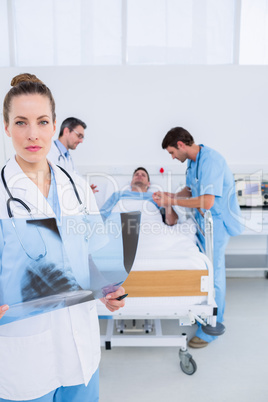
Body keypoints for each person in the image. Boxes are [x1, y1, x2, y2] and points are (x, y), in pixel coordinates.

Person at [0, 73, 126, 401]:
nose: (32, 134)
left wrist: (110, 291)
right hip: (23, 352)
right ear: (6, 127)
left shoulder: (77, 186)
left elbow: (95, 255)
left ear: (54, 126)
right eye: (21, 122)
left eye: (42, 122)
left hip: (80, 351)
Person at [153, 127, 243, 348]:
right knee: (206, 270)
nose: (173, 157)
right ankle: (204, 312)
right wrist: (170, 196)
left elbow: (207, 201)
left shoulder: (210, 160)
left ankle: (213, 326)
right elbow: (190, 190)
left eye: (172, 152)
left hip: (217, 222)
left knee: (214, 273)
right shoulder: (193, 162)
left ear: (181, 145)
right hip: (203, 223)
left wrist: (172, 202)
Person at [100, 166, 178, 226]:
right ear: (131, 183)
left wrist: (168, 205)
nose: (139, 176)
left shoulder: (156, 196)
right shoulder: (118, 195)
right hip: (119, 227)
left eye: (143, 175)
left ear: (148, 184)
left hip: (150, 228)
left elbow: (172, 222)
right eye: (136, 174)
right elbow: (101, 216)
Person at [47, 117, 98, 192]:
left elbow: (76, 177)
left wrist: (86, 189)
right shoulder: (49, 151)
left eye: (82, 138)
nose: (81, 141)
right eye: (79, 136)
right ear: (66, 131)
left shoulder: (67, 156)